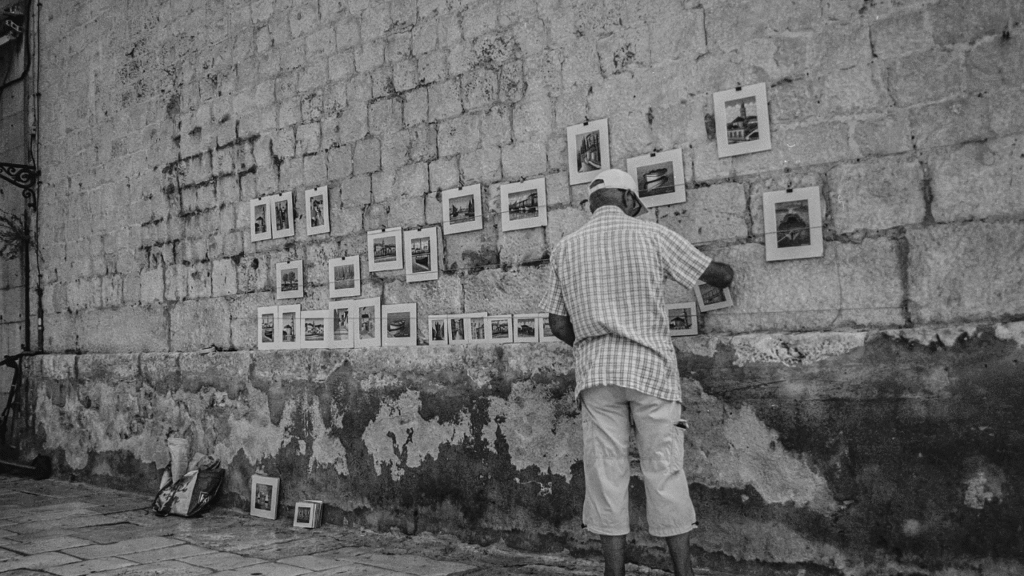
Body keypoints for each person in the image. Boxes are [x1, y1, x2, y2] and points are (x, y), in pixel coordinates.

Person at [540, 169, 733, 576]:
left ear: (592, 205)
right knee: (664, 468)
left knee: (606, 472)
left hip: (596, 375)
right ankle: (683, 572)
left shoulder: (565, 248)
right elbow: (717, 275)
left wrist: (594, 340)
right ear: (629, 200)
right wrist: (728, 270)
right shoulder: (651, 235)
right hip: (651, 371)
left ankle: (615, 572)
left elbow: (558, 325)